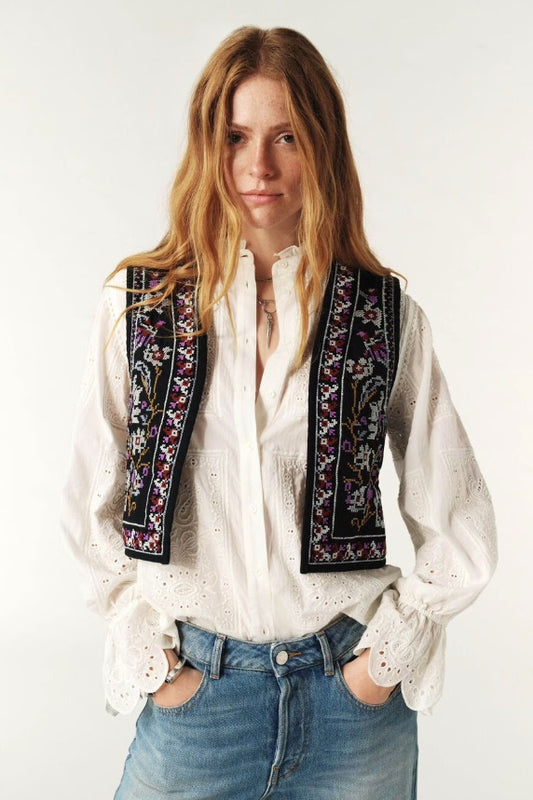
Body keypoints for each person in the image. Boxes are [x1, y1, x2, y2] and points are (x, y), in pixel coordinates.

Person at [62, 25, 497, 800]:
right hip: (198, 701)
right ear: (208, 147)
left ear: (320, 147)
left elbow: (456, 515)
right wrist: (159, 667)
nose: (258, 166)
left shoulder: (380, 314)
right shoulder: (141, 306)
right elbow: (88, 505)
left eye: (286, 137)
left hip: (350, 705)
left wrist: (380, 664)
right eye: (236, 137)